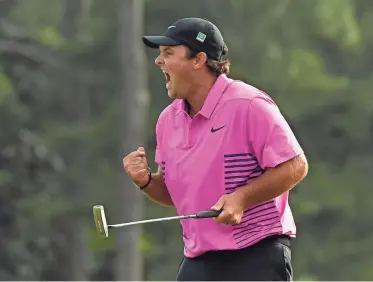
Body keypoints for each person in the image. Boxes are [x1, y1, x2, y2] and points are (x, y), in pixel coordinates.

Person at [123, 17, 308, 281]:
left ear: (198, 60)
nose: (158, 61)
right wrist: (145, 181)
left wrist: (242, 198)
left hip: (256, 253)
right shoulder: (167, 120)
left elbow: (295, 165)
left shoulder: (248, 104)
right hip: (199, 261)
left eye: (168, 53)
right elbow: (174, 195)